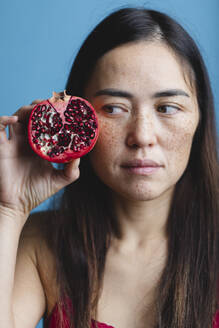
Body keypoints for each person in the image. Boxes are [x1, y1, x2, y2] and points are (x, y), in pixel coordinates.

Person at [0, 7, 218, 328]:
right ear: (80, 120)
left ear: (200, 120)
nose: (142, 136)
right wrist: (9, 209)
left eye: (168, 107)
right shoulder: (41, 243)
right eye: (114, 108)